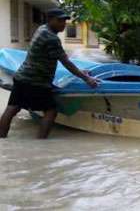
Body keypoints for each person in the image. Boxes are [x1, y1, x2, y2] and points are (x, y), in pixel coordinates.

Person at [0, 8, 99, 139]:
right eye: (60, 21)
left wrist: (80, 72)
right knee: (51, 111)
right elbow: (65, 62)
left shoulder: (41, 29)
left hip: (22, 77)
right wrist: (86, 79)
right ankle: (41, 142)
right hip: (36, 82)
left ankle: (2, 139)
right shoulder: (51, 38)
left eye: (64, 21)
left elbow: (50, 59)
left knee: (12, 108)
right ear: (50, 20)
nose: (63, 24)